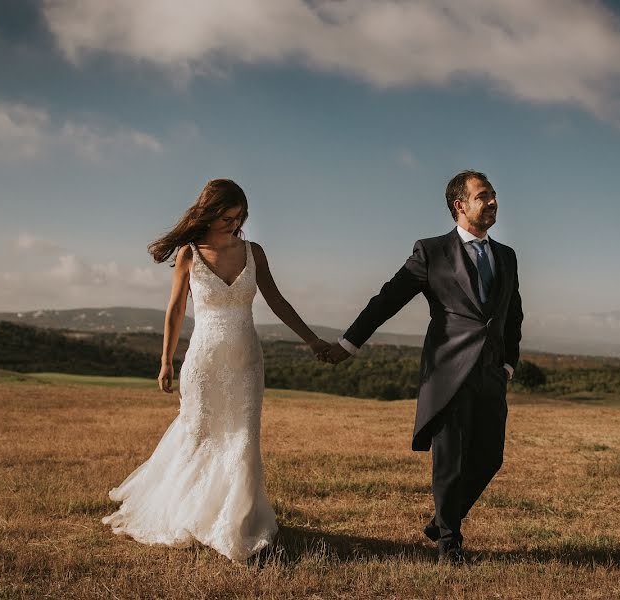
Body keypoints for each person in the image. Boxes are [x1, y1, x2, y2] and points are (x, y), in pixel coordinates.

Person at [102, 178, 331, 562]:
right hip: (204, 361)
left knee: (242, 438)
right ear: (209, 212)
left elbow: (277, 301)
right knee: (199, 432)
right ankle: (187, 513)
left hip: (245, 361)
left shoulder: (254, 252)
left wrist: (310, 340)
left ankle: (235, 521)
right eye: (227, 216)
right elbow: (176, 310)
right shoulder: (189, 255)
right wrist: (165, 360)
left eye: (239, 217)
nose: (233, 223)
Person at [323, 170, 523, 565]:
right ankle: (450, 544)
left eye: (495, 194)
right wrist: (350, 343)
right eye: (484, 196)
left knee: (489, 458)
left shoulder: (507, 256)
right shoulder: (430, 252)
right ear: (459, 205)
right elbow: (388, 298)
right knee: (449, 460)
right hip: (448, 372)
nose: (494, 201)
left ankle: (441, 520)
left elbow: (513, 313)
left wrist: (508, 364)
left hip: (490, 374)